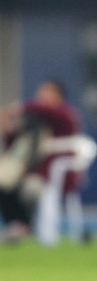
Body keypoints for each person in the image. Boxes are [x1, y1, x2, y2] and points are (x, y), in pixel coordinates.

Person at [0, 80, 80, 243]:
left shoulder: (64, 115)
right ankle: (17, 225)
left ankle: (23, 225)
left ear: (58, 95)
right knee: (6, 180)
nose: (42, 95)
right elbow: (14, 143)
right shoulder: (35, 118)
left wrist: (17, 109)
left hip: (54, 175)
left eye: (47, 92)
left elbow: (45, 111)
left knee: (28, 187)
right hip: (31, 172)